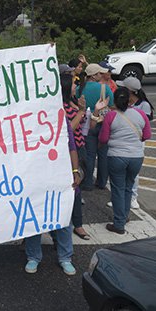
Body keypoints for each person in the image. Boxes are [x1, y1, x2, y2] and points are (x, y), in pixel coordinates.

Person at [24, 102, 82, 276]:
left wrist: (75, 170)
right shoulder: (26, 121)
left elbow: (71, 147)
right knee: (34, 219)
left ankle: (65, 257)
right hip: (35, 177)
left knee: (63, 220)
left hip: (59, 176)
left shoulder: (61, 120)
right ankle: (33, 256)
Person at [99, 87, 152, 234]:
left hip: (117, 156)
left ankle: (119, 223)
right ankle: (124, 216)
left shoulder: (111, 116)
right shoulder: (141, 114)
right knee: (128, 187)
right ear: (129, 100)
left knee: (117, 189)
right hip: (136, 157)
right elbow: (147, 135)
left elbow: (103, 138)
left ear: (115, 100)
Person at [59, 68, 90, 240]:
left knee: (77, 189)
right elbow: (68, 129)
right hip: (68, 151)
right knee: (71, 188)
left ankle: (78, 224)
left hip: (79, 148)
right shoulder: (59, 107)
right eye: (72, 84)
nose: (75, 86)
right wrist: (80, 112)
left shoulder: (74, 101)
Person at [116, 76, 154, 209]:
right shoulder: (123, 103)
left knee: (133, 174)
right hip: (122, 142)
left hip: (137, 142)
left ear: (129, 91)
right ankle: (121, 199)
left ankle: (132, 197)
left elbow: (146, 128)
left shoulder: (144, 105)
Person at [78, 63, 114, 190]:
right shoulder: (104, 89)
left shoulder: (79, 89)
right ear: (94, 76)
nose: (102, 75)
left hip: (86, 125)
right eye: (100, 73)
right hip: (103, 124)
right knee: (103, 154)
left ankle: (88, 183)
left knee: (89, 154)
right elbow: (113, 106)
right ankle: (102, 182)